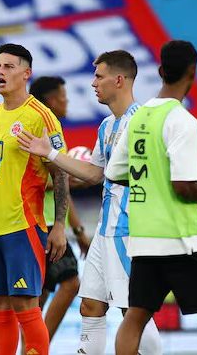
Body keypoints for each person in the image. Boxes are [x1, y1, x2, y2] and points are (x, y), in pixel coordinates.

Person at [17, 50, 162, 354]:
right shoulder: (107, 126)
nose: (93, 83)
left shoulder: (141, 123)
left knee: (133, 310)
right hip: (104, 229)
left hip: (127, 230)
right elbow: (95, 174)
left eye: (99, 76)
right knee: (91, 305)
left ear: (119, 80)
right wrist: (51, 154)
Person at [105, 40, 197, 355]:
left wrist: (150, 180)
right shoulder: (184, 121)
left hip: (142, 237)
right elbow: (185, 187)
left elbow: (113, 171)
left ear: (161, 71)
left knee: (136, 315)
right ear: (193, 72)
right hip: (181, 238)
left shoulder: (137, 117)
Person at [0, 43, 69, 355]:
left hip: (25, 228)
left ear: (26, 73)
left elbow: (60, 173)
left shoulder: (41, 117)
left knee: (24, 304)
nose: (0, 73)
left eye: (7, 67)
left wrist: (59, 225)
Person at [23, 76, 91, 348]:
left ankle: (31, 347)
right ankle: (39, 347)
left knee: (38, 296)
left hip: (50, 223)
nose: (67, 101)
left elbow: (63, 190)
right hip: (44, 225)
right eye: (64, 96)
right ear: (52, 100)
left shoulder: (51, 132)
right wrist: (66, 177)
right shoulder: (40, 131)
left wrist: (78, 230)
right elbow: (34, 178)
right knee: (70, 283)